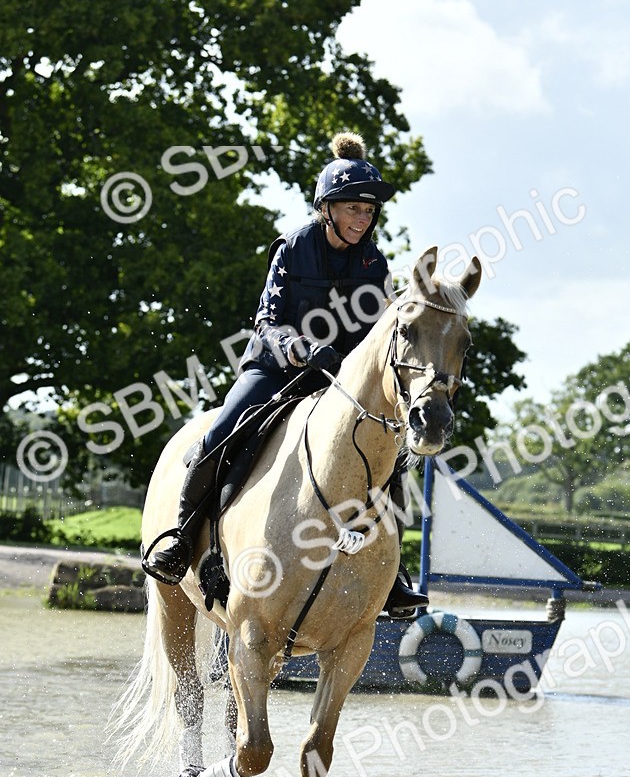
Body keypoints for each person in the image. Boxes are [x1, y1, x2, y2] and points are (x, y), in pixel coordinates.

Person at [143, 132, 427, 618]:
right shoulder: (293, 248)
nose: (363, 218)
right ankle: (181, 539)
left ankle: (392, 574)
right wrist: (301, 349)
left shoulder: (374, 263)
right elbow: (267, 321)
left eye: (369, 210)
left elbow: (377, 335)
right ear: (327, 208)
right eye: (353, 209)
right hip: (276, 369)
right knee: (220, 432)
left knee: (391, 457)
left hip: (337, 383)